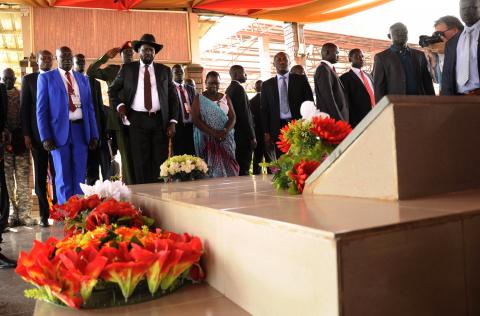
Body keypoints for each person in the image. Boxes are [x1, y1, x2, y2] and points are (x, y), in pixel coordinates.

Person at [109, 34, 179, 184]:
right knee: (140, 160)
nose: (148, 53)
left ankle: (159, 195)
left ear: (155, 53)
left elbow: (173, 98)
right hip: (137, 121)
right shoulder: (128, 69)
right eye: (145, 50)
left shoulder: (164, 71)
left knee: (159, 160)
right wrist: (120, 106)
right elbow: (112, 90)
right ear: (139, 51)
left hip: (160, 121)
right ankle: (144, 197)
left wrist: (173, 121)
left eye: (151, 50)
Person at [37, 46, 99, 205]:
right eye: (62, 57)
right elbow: (41, 110)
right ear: (56, 59)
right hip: (58, 134)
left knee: (79, 175)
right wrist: (45, 136)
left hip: (80, 131)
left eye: (69, 57)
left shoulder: (82, 79)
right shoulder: (46, 78)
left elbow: (90, 108)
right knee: (63, 176)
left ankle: (78, 212)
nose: (66, 60)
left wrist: (94, 134)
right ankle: (65, 214)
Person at [87, 41, 136, 184]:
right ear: (120, 55)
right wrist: (105, 57)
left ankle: (137, 184)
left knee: (137, 154)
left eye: (130, 53)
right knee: (125, 156)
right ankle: (130, 186)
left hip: (137, 118)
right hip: (118, 120)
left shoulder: (138, 70)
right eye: (125, 53)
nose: (128, 55)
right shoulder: (113, 70)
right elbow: (91, 72)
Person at [21, 50, 56, 227]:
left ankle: (60, 212)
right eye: (43, 58)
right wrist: (26, 134)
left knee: (58, 176)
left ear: (52, 61)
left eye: (49, 58)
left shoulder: (59, 78)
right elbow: (25, 109)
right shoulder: (29, 80)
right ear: (38, 61)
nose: (46, 61)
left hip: (58, 137)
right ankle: (44, 215)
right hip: (37, 137)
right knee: (41, 176)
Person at [261, 52, 314, 158]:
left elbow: (309, 103)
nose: (282, 61)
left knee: (300, 156)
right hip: (277, 127)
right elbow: (264, 110)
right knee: (283, 159)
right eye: (278, 59)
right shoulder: (267, 85)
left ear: (289, 62)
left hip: (299, 124)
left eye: (284, 59)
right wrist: (266, 132)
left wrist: (309, 124)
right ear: (274, 64)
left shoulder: (301, 80)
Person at [1, 68, 34, 226]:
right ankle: (12, 215)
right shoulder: (0, 97)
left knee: (23, 180)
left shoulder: (22, 94)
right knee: (8, 182)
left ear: (15, 79)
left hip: (21, 143)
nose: (8, 82)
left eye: (10, 78)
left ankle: (25, 215)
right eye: (5, 79)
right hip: (5, 145)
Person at [191, 71, 239, 177]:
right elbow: (195, 119)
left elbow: (233, 117)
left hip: (225, 138)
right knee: (209, 169)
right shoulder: (199, 98)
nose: (214, 85)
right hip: (206, 139)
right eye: (211, 83)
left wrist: (224, 131)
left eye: (217, 83)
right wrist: (213, 133)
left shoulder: (225, 98)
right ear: (206, 83)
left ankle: (230, 188)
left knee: (229, 164)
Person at [373, 23, 435, 102]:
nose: (401, 34)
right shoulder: (381, 58)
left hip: (419, 104)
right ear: (389, 36)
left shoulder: (419, 55)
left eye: (404, 31)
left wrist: (432, 103)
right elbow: (379, 88)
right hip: (396, 105)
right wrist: (382, 110)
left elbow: (427, 83)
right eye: (397, 32)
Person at [74, 54, 111, 184]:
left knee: (104, 166)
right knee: (89, 169)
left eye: (83, 61)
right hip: (81, 131)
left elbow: (100, 107)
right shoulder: (70, 83)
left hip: (98, 130)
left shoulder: (94, 83)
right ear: (73, 63)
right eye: (78, 61)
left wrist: (104, 130)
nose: (81, 63)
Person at [442, 0, 480, 95]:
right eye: (463, 8)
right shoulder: (452, 43)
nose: (466, 12)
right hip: (458, 100)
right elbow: (447, 75)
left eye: (472, 7)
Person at [226, 65, 256, 176]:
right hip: (243, 137)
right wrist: (252, 136)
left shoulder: (230, 89)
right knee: (244, 168)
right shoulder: (238, 89)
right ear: (235, 74)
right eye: (244, 73)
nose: (246, 75)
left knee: (239, 167)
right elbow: (245, 115)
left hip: (235, 135)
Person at [314, 43, 349, 122]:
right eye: (336, 53)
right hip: (334, 119)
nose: (338, 56)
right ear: (327, 52)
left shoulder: (328, 69)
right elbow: (328, 98)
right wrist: (339, 120)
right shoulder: (323, 69)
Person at [340, 49, 375, 128]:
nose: (361, 58)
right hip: (358, 121)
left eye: (362, 56)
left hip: (375, 115)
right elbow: (346, 102)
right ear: (350, 59)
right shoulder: (345, 78)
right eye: (357, 56)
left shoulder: (369, 76)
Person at [426, 16, 464, 89]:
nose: (439, 37)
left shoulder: (468, 47)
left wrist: (449, 51)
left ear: (455, 30)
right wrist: (433, 59)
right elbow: (437, 80)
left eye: (440, 33)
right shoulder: (440, 51)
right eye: (436, 34)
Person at [172, 64, 196, 156]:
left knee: (192, 154)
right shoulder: (169, 89)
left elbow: (195, 106)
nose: (179, 74)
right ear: (172, 74)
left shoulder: (191, 89)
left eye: (181, 72)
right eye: (176, 72)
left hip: (191, 127)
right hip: (178, 127)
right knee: (179, 155)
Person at [250, 80, 270, 175]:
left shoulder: (251, 102)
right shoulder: (270, 100)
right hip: (268, 135)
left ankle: (256, 181)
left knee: (257, 160)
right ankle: (273, 179)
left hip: (257, 135)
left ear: (255, 89)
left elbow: (250, 120)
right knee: (271, 160)